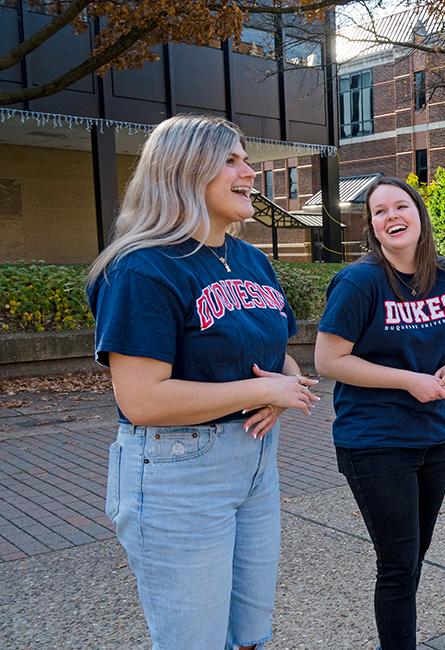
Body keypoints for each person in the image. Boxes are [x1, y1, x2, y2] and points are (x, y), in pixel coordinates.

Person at [86, 114, 320, 650]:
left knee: (249, 634)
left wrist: (284, 388)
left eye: (246, 159)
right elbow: (142, 399)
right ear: (185, 170)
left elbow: (274, 355)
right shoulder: (142, 268)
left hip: (256, 463)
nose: (250, 172)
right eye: (232, 161)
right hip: (177, 474)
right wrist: (264, 391)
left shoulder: (252, 260)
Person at [314, 177, 445, 648]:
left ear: (420, 215)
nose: (391, 216)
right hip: (375, 441)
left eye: (400, 206)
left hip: (432, 437)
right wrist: (409, 379)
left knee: (413, 558)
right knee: (399, 564)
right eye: (379, 212)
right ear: (373, 228)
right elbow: (327, 360)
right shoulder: (360, 281)